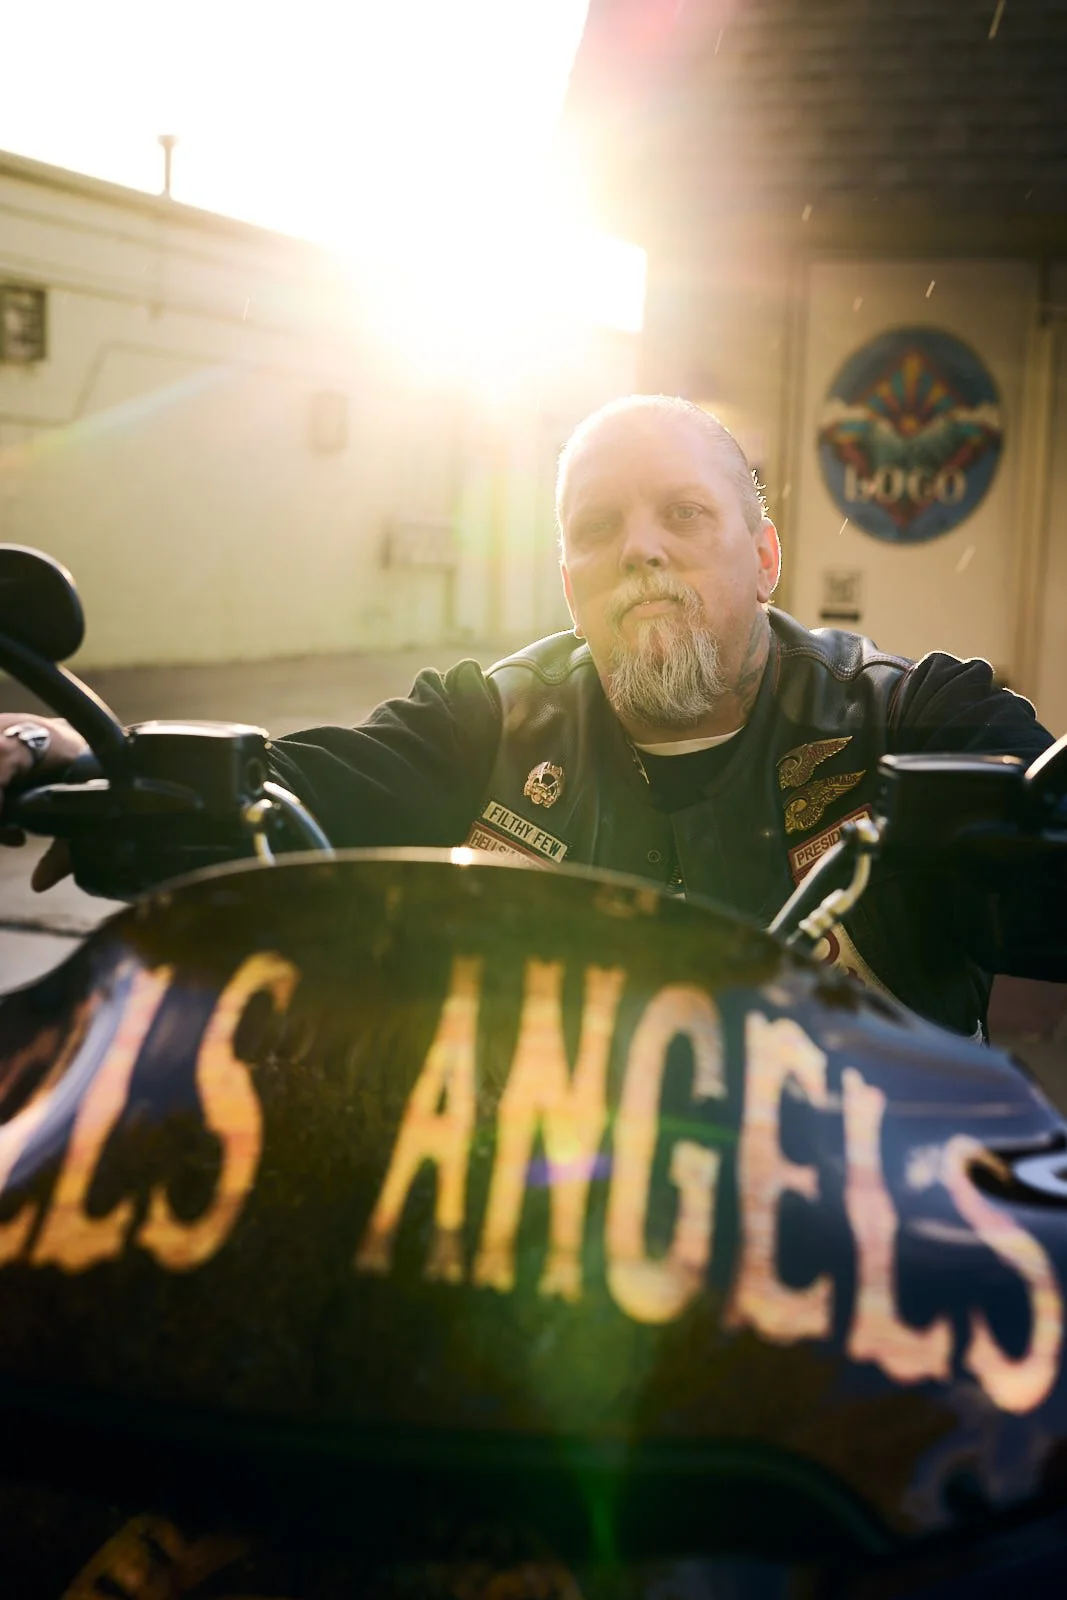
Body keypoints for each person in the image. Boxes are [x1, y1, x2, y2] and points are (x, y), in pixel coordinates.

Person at [0, 395, 1060, 1035]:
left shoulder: (911, 714)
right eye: (599, 527)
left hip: (874, 1288)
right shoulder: (490, 723)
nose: (640, 548)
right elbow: (286, 787)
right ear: (568, 583)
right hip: (542, 1274)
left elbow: (1039, 832)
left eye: (684, 514)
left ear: (765, 556)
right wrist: (71, 754)